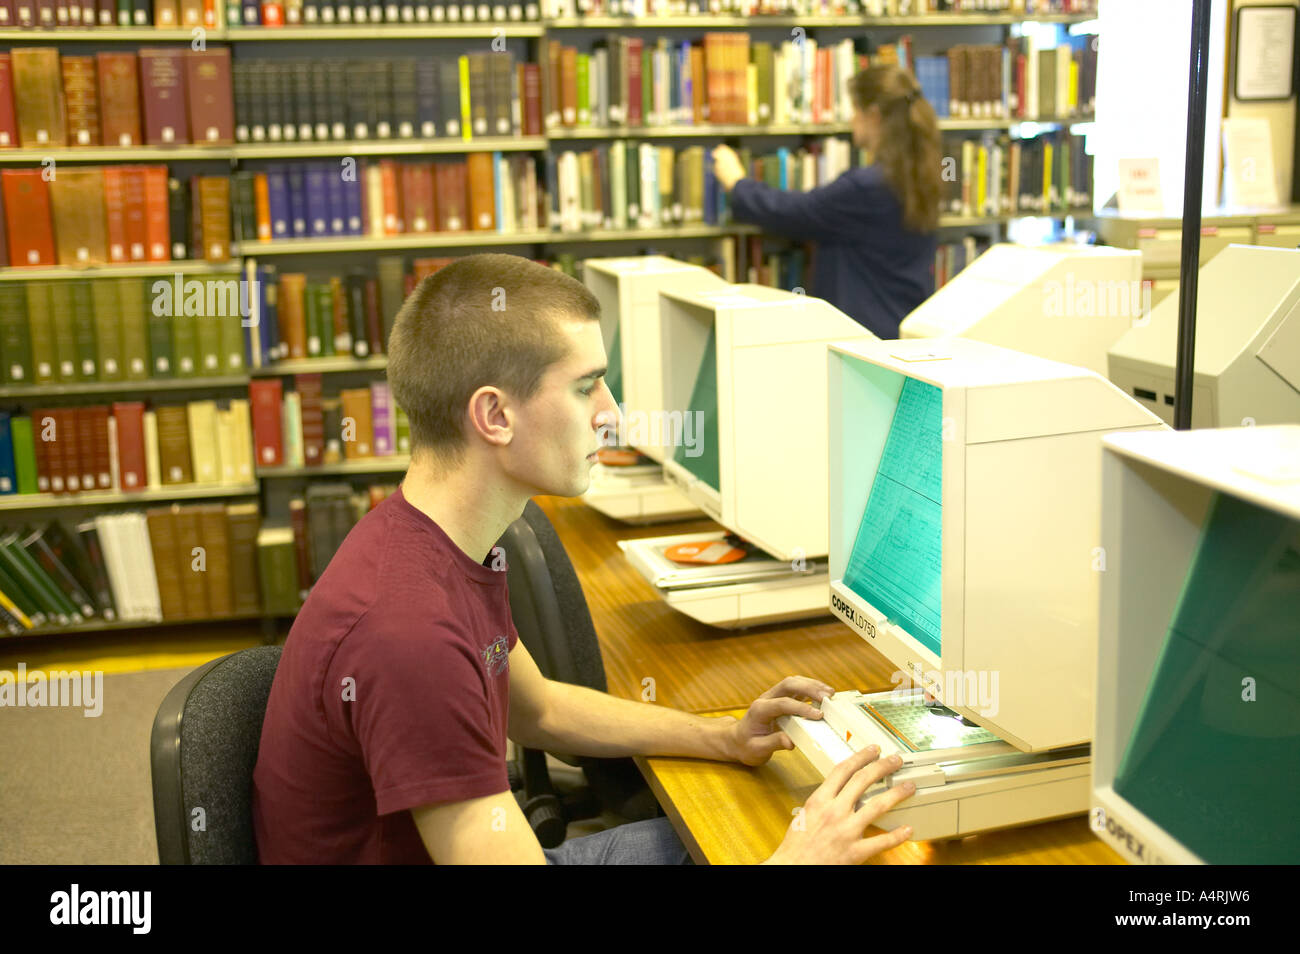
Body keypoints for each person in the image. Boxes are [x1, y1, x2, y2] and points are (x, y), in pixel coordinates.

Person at [251, 253, 916, 864]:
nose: (613, 413)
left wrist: (722, 736)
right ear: (494, 416)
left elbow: (538, 711)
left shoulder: (431, 541)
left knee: (739, 834)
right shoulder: (408, 632)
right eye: (587, 387)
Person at [712, 64, 942, 339]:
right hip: (900, 329)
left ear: (873, 116)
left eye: (855, 111)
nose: (850, 119)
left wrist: (737, 183)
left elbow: (795, 212)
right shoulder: (923, 175)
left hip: (863, 339)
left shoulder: (867, 188)